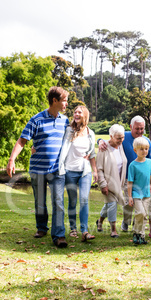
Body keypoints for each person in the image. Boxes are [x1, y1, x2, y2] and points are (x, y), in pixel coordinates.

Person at [6, 86, 69, 248]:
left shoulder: (65, 121)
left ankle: (59, 235)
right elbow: (22, 140)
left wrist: (100, 142)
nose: (66, 104)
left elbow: (79, 134)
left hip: (57, 169)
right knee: (40, 201)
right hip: (38, 169)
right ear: (54, 101)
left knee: (58, 201)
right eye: (64, 100)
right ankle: (42, 227)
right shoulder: (36, 119)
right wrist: (12, 159)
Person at [98, 116, 151, 232]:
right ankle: (125, 223)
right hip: (126, 177)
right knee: (127, 203)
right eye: (137, 128)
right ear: (131, 127)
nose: (139, 131)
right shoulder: (124, 136)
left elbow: (150, 161)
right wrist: (100, 141)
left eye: (142, 128)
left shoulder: (147, 141)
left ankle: (136, 225)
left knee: (140, 203)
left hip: (141, 180)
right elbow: (110, 138)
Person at [59, 105, 97, 242]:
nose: (76, 114)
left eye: (79, 112)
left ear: (84, 115)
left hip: (85, 171)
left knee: (84, 200)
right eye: (75, 112)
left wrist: (95, 171)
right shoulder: (69, 130)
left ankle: (85, 231)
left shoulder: (90, 133)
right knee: (73, 201)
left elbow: (92, 154)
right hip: (69, 170)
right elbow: (60, 145)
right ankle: (73, 228)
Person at [96, 124, 127, 238]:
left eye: (122, 137)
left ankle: (99, 221)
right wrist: (103, 184)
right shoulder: (103, 148)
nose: (121, 140)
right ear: (111, 136)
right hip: (108, 183)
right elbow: (99, 169)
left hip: (118, 182)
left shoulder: (120, 146)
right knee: (112, 204)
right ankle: (113, 230)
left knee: (108, 205)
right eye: (118, 138)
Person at [127, 137, 151, 245]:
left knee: (144, 215)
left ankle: (140, 235)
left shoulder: (150, 163)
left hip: (146, 194)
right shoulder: (132, 165)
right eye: (141, 149)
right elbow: (129, 182)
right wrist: (130, 197)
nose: (144, 151)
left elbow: (150, 178)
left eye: (146, 149)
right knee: (140, 212)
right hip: (136, 193)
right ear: (135, 150)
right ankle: (137, 232)